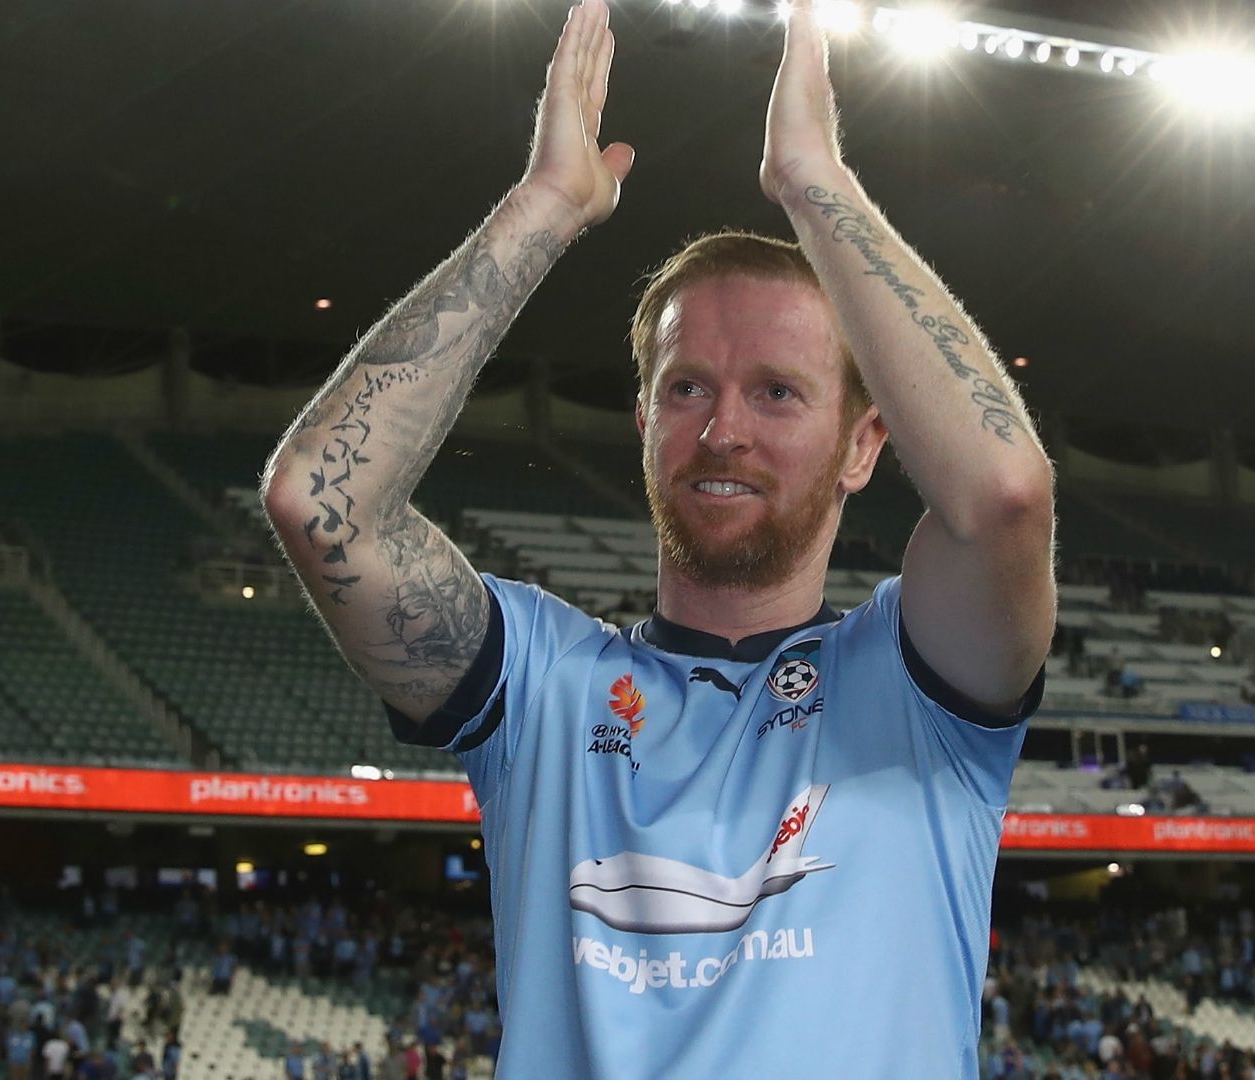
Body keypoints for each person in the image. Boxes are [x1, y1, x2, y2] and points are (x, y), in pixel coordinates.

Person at [261, 2, 1054, 1075]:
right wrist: (545, 206)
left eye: (778, 392)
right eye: (687, 389)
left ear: (865, 443)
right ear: (643, 424)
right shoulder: (544, 687)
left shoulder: (922, 690)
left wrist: (816, 186)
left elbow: (1004, 494)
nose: (723, 430)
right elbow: (319, 499)